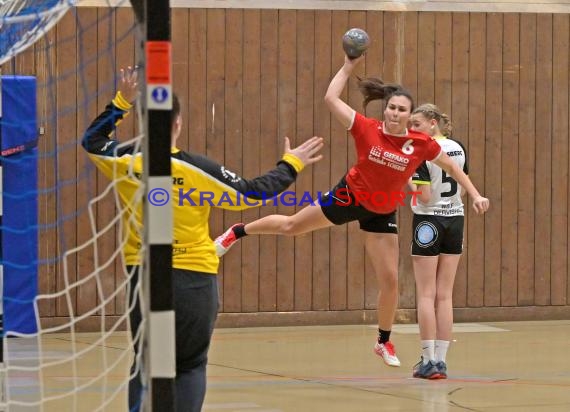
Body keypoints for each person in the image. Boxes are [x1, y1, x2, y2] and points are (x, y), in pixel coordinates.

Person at [215, 54, 490, 368]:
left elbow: (452, 165)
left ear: (409, 114)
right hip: (349, 197)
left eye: (402, 109)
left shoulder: (420, 144)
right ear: (384, 109)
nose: (395, 113)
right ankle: (235, 232)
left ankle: (383, 341)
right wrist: (348, 66)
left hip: (382, 211)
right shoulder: (367, 129)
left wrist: (476, 194)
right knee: (292, 226)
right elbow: (331, 98)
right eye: (391, 107)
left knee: (390, 282)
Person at [81, 66, 325, 412]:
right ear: (178, 124)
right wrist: (290, 164)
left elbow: (92, 140)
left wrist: (121, 100)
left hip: (145, 278)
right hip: (193, 277)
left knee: (147, 360)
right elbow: (252, 194)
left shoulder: (124, 162)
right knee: (190, 364)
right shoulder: (198, 169)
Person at [407, 103, 467, 379]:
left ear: (433, 123)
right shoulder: (458, 148)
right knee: (445, 295)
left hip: (428, 222)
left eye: (416, 124)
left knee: (426, 294)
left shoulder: (421, 151)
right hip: (455, 219)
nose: (411, 129)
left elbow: (426, 196)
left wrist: (407, 180)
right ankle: (442, 361)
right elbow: (462, 184)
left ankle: (429, 359)